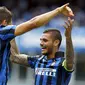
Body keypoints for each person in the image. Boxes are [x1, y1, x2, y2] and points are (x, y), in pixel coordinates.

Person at [0, 3, 74, 85]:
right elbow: (15, 58)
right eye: (41, 40)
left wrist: (68, 38)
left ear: (56, 42)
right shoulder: (38, 60)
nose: (41, 43)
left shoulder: (62, 63)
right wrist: (11, 32)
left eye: (45, 40)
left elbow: (70, 61)